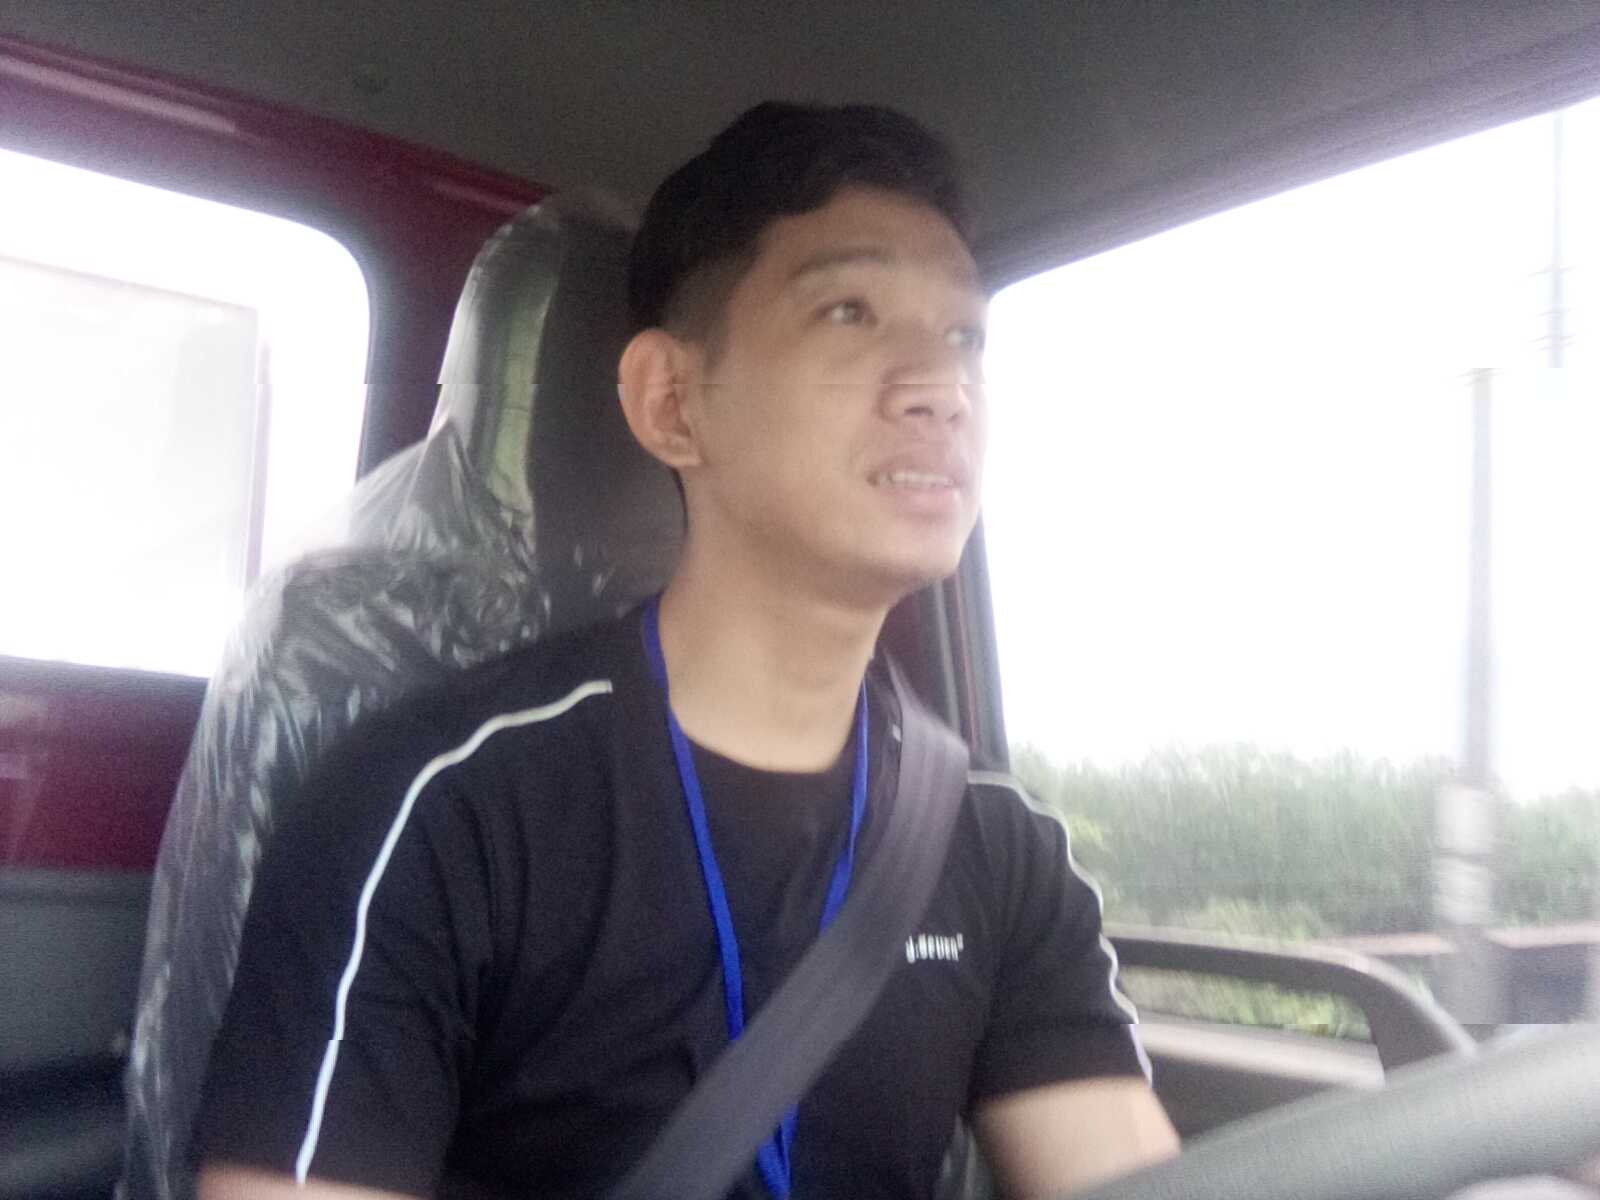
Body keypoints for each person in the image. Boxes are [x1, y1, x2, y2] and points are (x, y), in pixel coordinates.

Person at [192, 101, 1179, 1200]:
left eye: (964, 338)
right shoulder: (437, 809)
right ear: (670, 402)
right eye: (849, 312)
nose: (938, 388)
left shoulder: (996, 847)